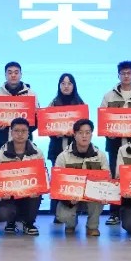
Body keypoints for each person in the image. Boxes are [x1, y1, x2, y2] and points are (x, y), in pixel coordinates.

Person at [99, 61, 131, 226]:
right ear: (118, 75)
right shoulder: (109, 96)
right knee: (116, 178)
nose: (126, 76)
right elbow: (103, 120)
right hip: (114, 144)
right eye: (123, 73)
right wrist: (108, 130)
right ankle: (114, 213)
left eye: (129, 73)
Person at [53, 118, 109, 237]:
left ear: (91, 134)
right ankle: (71, 224)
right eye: (80, 132)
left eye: (87, 132)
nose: (84, 136)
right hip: (71, 196)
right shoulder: (63, 157)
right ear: (74, 135)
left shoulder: (100, 156)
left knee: (98, 199)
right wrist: (67, 199)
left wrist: (106, 193)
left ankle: (92, 227)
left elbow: (107, 179)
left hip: (92, 197)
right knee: (62, 216)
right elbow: (56, 183)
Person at [0, 117, 45, 236]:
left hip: (29, 194)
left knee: (36, 194)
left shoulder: (38, 153)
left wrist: (38, 189)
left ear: (28, 133)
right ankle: (10, 222)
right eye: (16, 131)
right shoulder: (0, 155)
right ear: (11, 132)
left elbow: (42, 177)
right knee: (5, 212)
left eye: (23, 131)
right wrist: (0, 193)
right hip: (8, 195)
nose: (20, 134)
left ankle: (29, 224)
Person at [46, 73, 84, 223]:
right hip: (56, 148)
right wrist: (55, 132)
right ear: (59, 86)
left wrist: (74, 133)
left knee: (73, 181)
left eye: (69, 83)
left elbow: (85, 128)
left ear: (74, 86)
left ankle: (74, 212)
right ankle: (57, 213)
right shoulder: (53, 103)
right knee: (58, 181)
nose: (66, 86)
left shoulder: (80, 104)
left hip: (76, 150)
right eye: (63, 83)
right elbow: (46, 126)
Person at [0, 61, 38, 152]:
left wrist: (25, 129)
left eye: (16, 72)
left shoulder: (31, 94)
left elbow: (37, 118)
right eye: (10, 73)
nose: (13, 75)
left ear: (21, 74)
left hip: (25, 143)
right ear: (5, 75)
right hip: (2, 142)